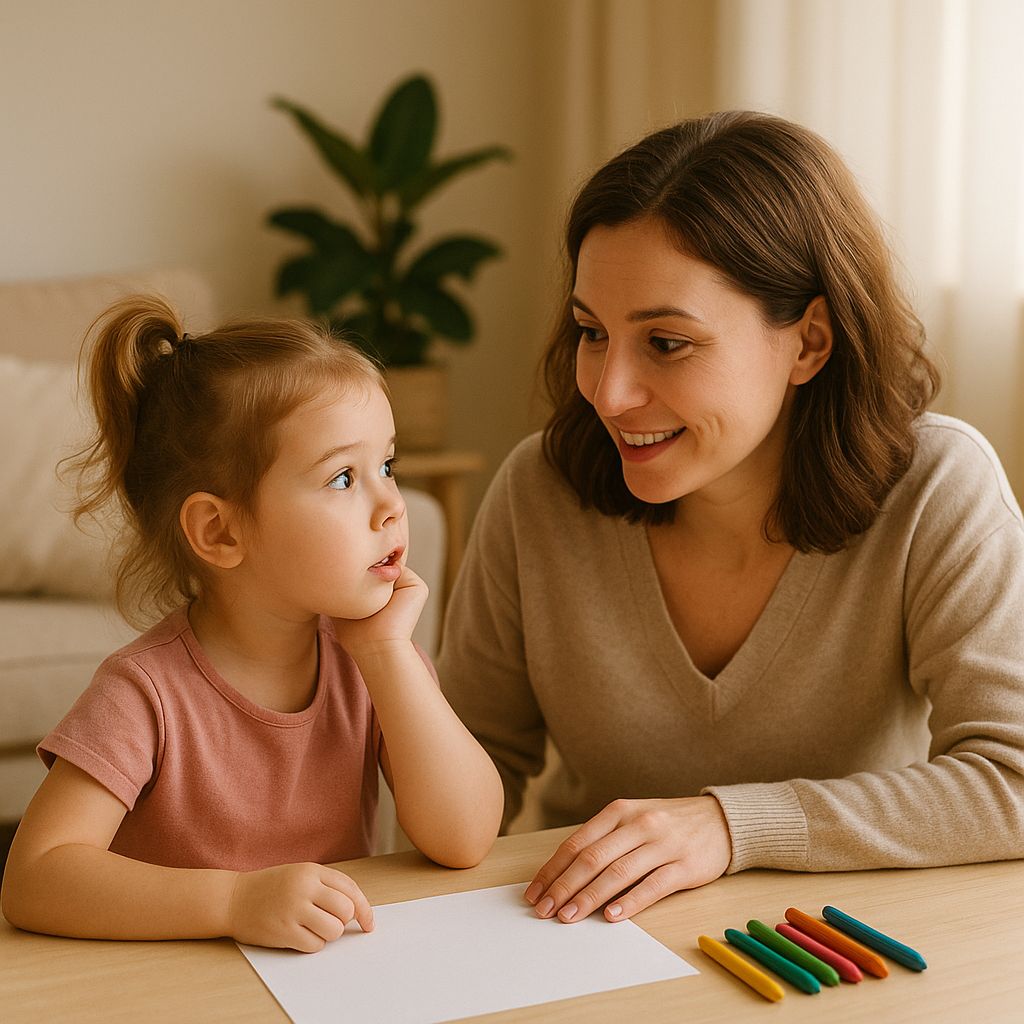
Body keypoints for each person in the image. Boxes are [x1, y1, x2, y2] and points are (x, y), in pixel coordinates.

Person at [438, 110, 1024, 926]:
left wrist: (730, 824)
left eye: (667, 343)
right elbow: (470, 777)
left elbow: (1013, 779)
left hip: (844, 951)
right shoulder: (538, 492)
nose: (608, 393)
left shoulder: (938, 488)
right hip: (591, 938)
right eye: (592, 333)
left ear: (810, 342)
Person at [0, 298, 503, 951]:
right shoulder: (143, 693)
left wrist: (389, 656)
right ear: (220, 531)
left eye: (388, 466)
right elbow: (36, 878)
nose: (391, 506)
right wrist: (235, 899)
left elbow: (466, 839)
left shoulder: (373, 661)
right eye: (344, 477)